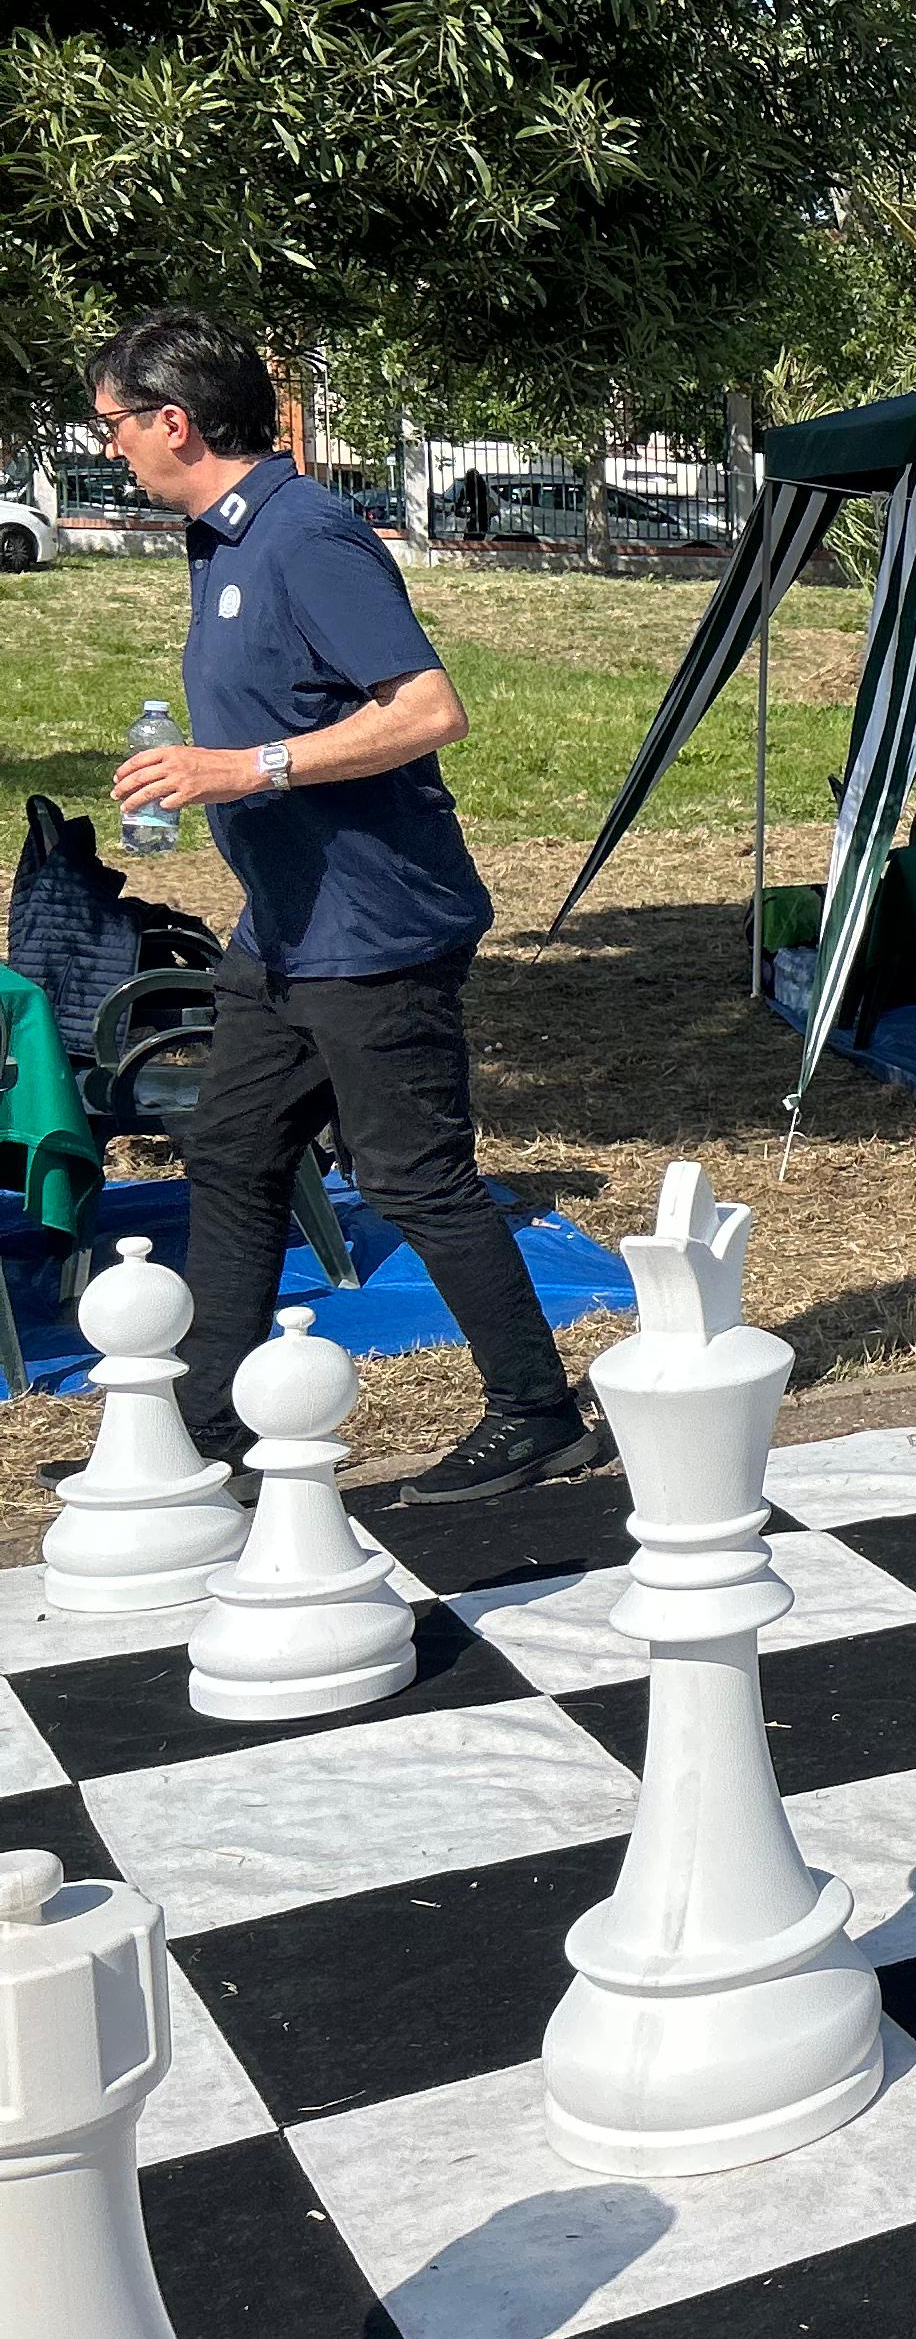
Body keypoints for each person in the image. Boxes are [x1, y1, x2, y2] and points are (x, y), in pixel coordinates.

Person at [90, 310, 598, 1502]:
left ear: (175, 421)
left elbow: (428, 711)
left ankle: (537, 1413)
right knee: (232, 1151)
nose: (109, 446)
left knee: (412, 1174)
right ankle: (207, 1428)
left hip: (373, 927)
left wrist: (245, 767)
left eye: (114, 424)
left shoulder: (306, 535)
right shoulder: (221, 541)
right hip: (283, 928)